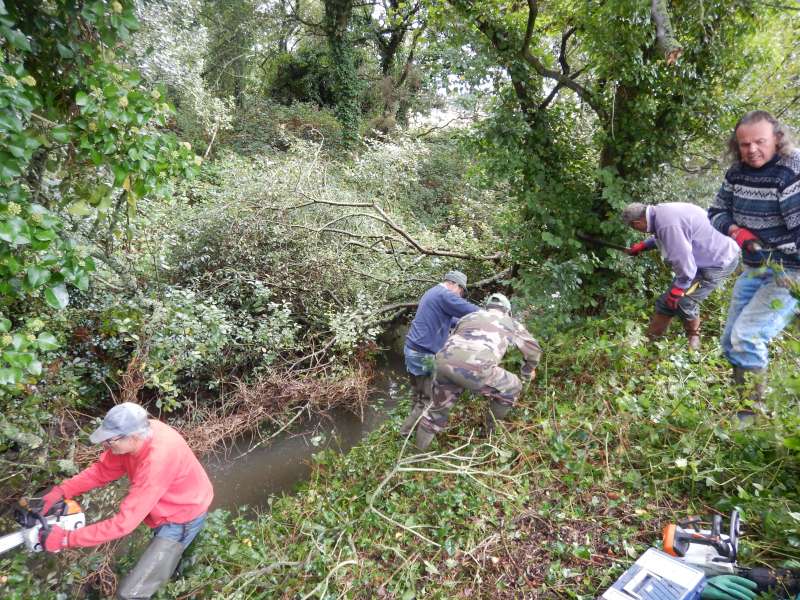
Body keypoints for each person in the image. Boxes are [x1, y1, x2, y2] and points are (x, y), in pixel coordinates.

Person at [39, 402, 214, 600]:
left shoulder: (156, 462)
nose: (106, 446)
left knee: (130, 594)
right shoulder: (134, 439)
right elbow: (102, 471)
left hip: (183, 515)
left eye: (110, 441)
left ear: (133, 436)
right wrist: (63, 490)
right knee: (164, 564)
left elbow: (123, 524)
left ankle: (173, 576)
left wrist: (66, 538)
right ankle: (171, 572)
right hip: (167, 501)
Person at [708, 110, 800, 399]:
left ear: (777, 139)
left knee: (747, 336)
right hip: (755, 268)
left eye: (760, 142)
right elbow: (716, 212)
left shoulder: (792, 171)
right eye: (744, 144)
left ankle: (750, 418)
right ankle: (741, 403)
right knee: (730, 342)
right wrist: (736, 231)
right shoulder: (737, 173)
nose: (752, 150)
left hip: (789, 272)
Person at [414, 293, 541, 450]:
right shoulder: (510, 323)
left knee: (435, 413)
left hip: (442, 363)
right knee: (513, 386)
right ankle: (490, 430)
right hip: (476, 367)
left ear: (487, 308)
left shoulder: (468, 317)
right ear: (507, 311)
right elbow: (534, 351)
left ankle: (417, 454)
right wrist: (527, 372)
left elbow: (455, 340)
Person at [622, 202, 739, 350]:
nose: (637, 230)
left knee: (684, 301)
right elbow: (669, 235)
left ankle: (694, 342)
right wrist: (644, 245)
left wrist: (678, 289)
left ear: (637, 223)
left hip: (718, 262)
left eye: (633, 227)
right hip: (705, 257)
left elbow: (684, 263)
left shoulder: (667, 225)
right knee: (666, 303)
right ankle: (649, 344)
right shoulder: (660, 213)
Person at [399, 270, 480, 435]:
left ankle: (411, 424)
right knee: (429, 400)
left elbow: (450, 320)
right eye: (461, 291)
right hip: (424, 355)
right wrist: (492, 316)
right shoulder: (444, 295)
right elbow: (472, 310)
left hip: (412, 350)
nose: (461, 295)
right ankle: (406, 433)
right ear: (454, 284)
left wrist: (464, 326)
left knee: (417, 394)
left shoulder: (433, 293)